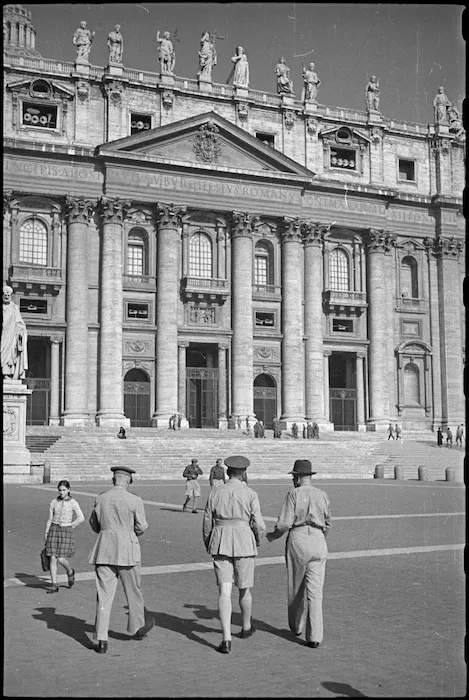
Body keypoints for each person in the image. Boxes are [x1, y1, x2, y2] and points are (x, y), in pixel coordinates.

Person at [202, 455, 266, 654]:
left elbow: (206, 522)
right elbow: (259, 523)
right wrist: (257, 539)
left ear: (228, 472)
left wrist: (209, 542)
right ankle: (246, 626)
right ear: (244, 473)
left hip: (220, 540)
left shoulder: (215, 492)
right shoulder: (250, 493)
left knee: (224, 591)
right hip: (244, 541)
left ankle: (226, 638)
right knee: (245, 588)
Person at [88, 466, 154, 654]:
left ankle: (101, 639)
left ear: (113, 480)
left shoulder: (101, 498)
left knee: (103, 595)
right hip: (127, 550)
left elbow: (94, 523)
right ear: (128, 481)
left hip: (105, 549)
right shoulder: (134, 500)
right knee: (133, 592)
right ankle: (137, 627)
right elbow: (141, 526)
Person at [266, 459, 331, 648]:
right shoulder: (322, 494)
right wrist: (319, 535)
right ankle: (315, 636)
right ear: (310, 476)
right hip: (318, 539)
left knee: (296, 586)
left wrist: (273, 535)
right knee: (315, 591)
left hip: (298, 538)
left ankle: (296, 625)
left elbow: (285, 523)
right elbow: (328, 523)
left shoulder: (293, 494)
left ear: (297, 477)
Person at [44, 480, 84, 594]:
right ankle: (54, 585)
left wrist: (71, 526)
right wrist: (46, 533)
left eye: (64, 490)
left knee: (61, 558)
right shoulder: (53, 502)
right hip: (54, 530)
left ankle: (70, 571)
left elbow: (81, 517)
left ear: (69, 490)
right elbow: (50, 519)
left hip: (66, 531)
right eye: (60, 490)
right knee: (52, 557)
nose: (62, 492)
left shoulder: (73, 502)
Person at [2, 285, 28, 380]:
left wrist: (21, 330)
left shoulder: (14, 308)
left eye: (8, 295)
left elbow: (20, 322)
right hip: (2, 335)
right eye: (4, 295)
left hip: (11, 335)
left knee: (10, 356)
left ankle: (7, 374)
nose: (6, 296)